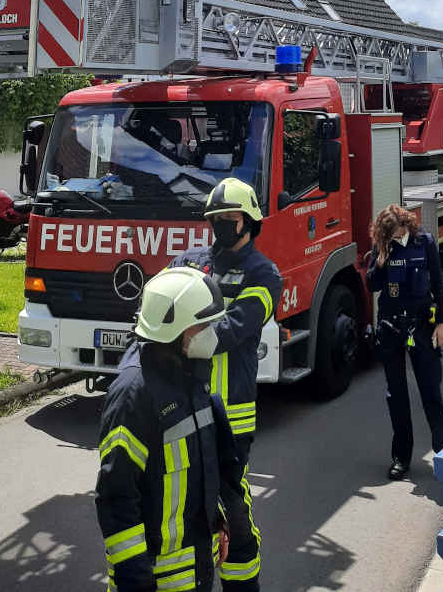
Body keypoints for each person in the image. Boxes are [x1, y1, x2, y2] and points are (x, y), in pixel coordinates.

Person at [167, 177, 282, 591]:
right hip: (182, 409)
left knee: (232, 504)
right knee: (182, 504)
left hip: (232, 415)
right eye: (214, 219)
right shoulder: (191, 261)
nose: (220, 226)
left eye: (228, 218)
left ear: (249, 221)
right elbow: (158, 301)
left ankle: (241, 582)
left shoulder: (264, 274)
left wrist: (181, 334)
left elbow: (235, 327)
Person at [96, 267, 242, 592]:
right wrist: (135, 581)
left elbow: (203, 466)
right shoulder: (134, 394)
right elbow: (116, 498)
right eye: (203, 324)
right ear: (175, 330)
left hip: (198, 569)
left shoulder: (192, 376)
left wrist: (217, 522)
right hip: (156, 581)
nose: (211, 332)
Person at [366, 204, 443, 480]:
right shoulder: (382, 246)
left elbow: (438, 284)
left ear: (407, 226)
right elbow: (372, 285)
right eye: (391, 234)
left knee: (430, 389)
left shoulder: (423, 242)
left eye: (399, 232)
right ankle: (401, 457)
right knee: (397, 395)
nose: (397, 237)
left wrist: (442, 322)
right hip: (391, 327)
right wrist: (380, 260)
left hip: (421, 326)